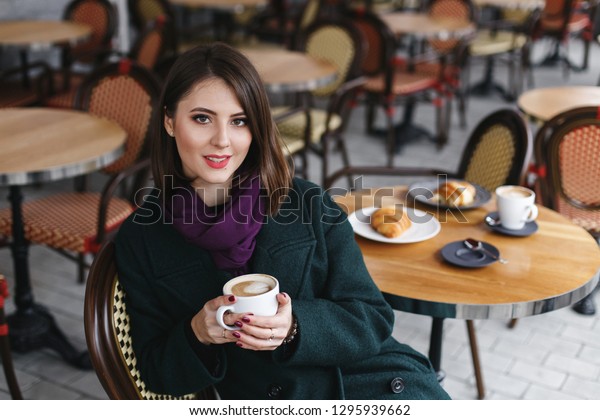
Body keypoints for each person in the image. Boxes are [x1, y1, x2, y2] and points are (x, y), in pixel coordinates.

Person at [115, 42, 450, 400]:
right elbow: (155, 372)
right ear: (169, 121)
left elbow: (373, 318)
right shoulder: (142, 238)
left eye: (239, 121)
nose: (222, 141)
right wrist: (197, 333)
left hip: (372, 381)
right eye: (202, 118)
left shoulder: (307, 203)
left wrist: (296, 327)